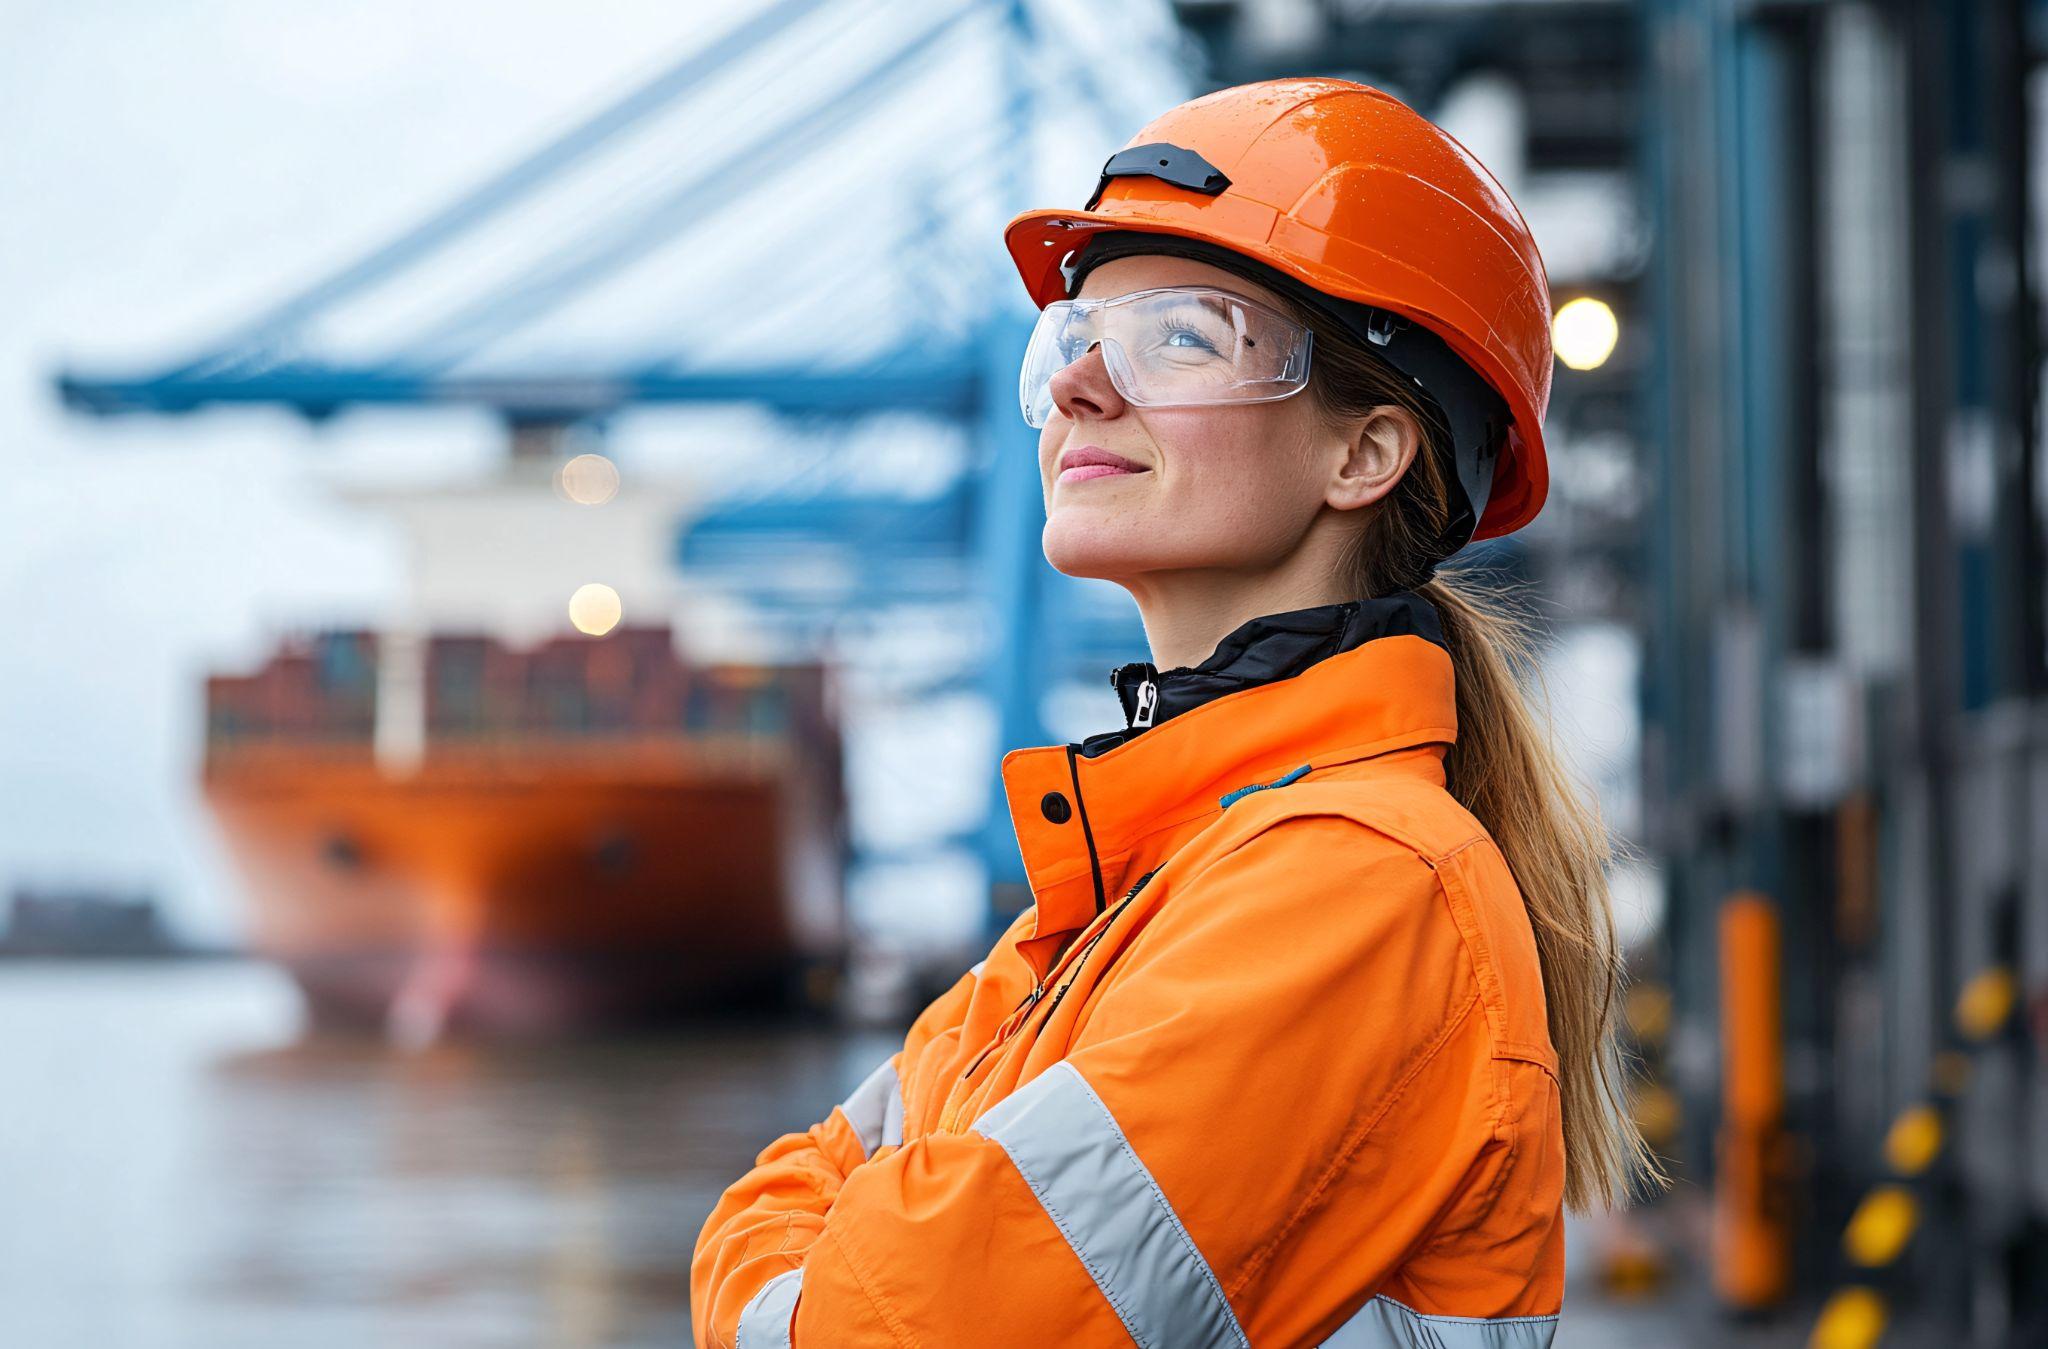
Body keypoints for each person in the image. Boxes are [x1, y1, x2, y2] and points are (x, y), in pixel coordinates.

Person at [691, 75, 1666, 1348]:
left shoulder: (1355, 885)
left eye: (1183, 338)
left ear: (1363, 454)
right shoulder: (1138, 890)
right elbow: (792, 1218)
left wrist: (832, 1234)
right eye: (1078, 338)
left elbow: (869, 1324)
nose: (1083, 386)